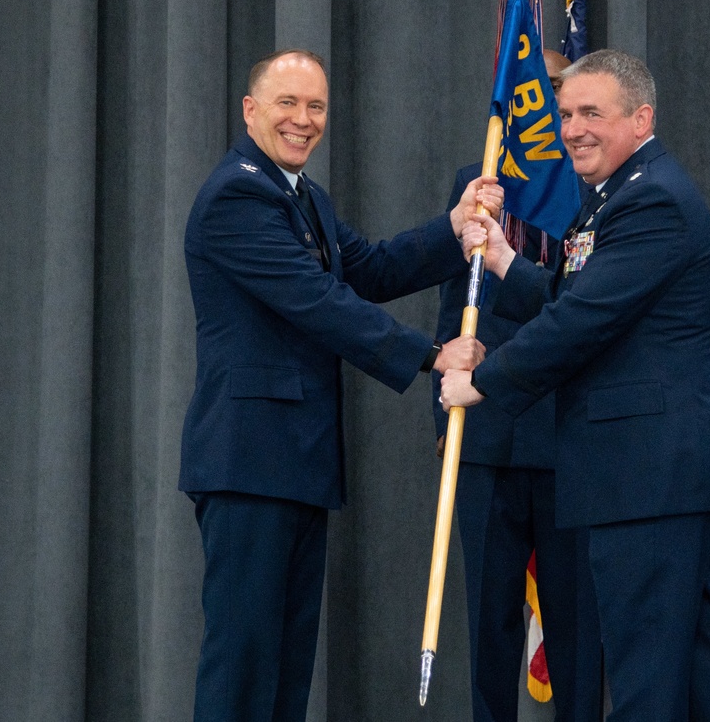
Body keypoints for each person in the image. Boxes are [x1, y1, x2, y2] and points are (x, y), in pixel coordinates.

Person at [441, 49, 710, 721]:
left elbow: (583, 320)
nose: (571, 129)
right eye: (565, 114)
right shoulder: (617, 195)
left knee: (647, 669)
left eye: (591, 112)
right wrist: (506, 259)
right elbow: (578, 293)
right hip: (650, 472)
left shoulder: (650, 199)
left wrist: (482, 381)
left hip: (648, 471)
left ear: (641, 117)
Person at [180, 48, 502, 722]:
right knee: (242, 665)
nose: (303, 120)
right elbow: (317, 302)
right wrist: (433, 354)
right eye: (287, 103)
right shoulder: (236, 196)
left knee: (286, 668)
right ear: (250, 110)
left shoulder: (303, 198)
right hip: (248, 461)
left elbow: (373, 269)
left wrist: (453, 227)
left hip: (295, 463)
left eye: (317, 106)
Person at [432, 48, 601, 722]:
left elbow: (576, 314)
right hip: (485, 440)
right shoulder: (475, 185)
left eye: (558, 97)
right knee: (487, 627)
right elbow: (454, 308)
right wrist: (446, 412)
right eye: (534, 96)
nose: (547, 111)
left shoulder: (594, 192)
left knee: (577, 632)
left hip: (568, 441)